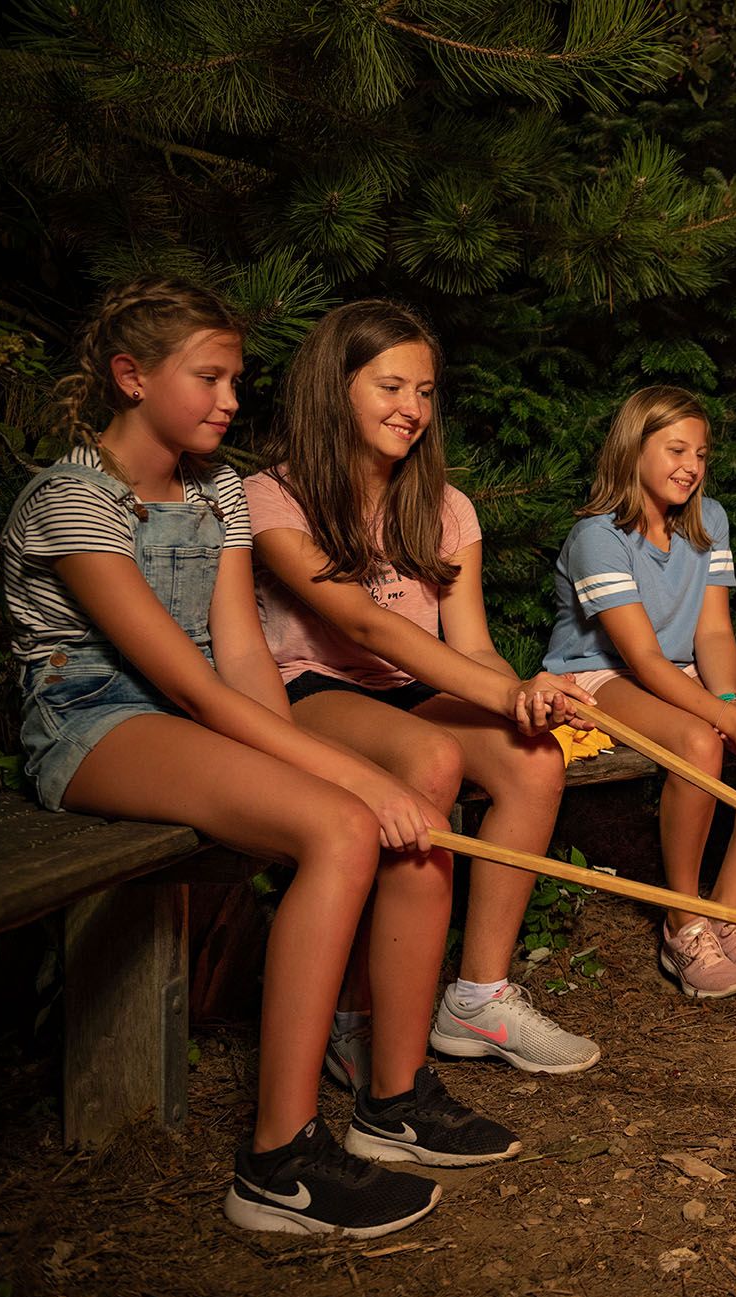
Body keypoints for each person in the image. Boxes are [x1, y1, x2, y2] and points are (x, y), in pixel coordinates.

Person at [1, 278, 509, 1239]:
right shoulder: (72, 502)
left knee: (400, 818)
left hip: (206, 715)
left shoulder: (217, 494)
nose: (231, 400)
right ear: (131, 377)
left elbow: (240, 659)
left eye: (236, 379)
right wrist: (345, 775)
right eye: (209, 378)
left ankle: (392, 1097)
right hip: (95, 722)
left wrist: (334, 769)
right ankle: (278, 1161)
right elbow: (187, 686)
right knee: (346, 821)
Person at [246, 300, 601, 1084]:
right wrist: (502, 695)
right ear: (333, 387)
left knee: (535, 760)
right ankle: (352, 1009)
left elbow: (468, 647)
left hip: (411, 686)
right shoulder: (272, 496)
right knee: (431, 756)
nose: (413, 407)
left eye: (426, 392)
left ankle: (477, 997)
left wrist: (525, 696)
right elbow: (363, 625)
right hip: (311, 689)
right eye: (391, 387)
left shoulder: (446, 507)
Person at [543, 386, 736, 998]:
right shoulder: (597, 537)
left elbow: (713, 632)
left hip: (681, 668)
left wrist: (731, 704)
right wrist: (723, 722)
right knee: (699, 744)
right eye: (675, 450)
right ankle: (683, 920)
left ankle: (728, 910)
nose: (691, 466)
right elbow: (640, 657)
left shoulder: (707, 519)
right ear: (633, 449)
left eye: (700, 454)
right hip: (601, 673)